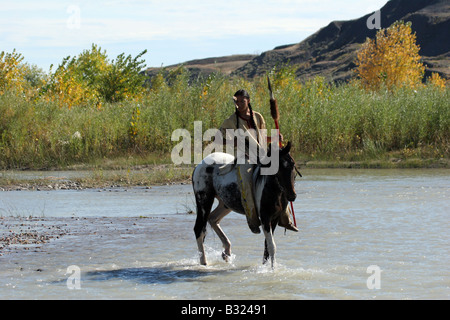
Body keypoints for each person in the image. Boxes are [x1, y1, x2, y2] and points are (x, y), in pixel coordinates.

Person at [217, 89, 298, 234]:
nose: (240, 104)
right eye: (237, 101)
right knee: (246, 181)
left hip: (262, 154)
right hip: (244, 157)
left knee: (281, 176)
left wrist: (273, 139)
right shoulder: (230, 121)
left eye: (243, 101)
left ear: (248, 101)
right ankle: (253, 220)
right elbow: (218, 139)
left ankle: (285, 220)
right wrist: (234, 141)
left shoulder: (258, 117)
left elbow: (261, 138)